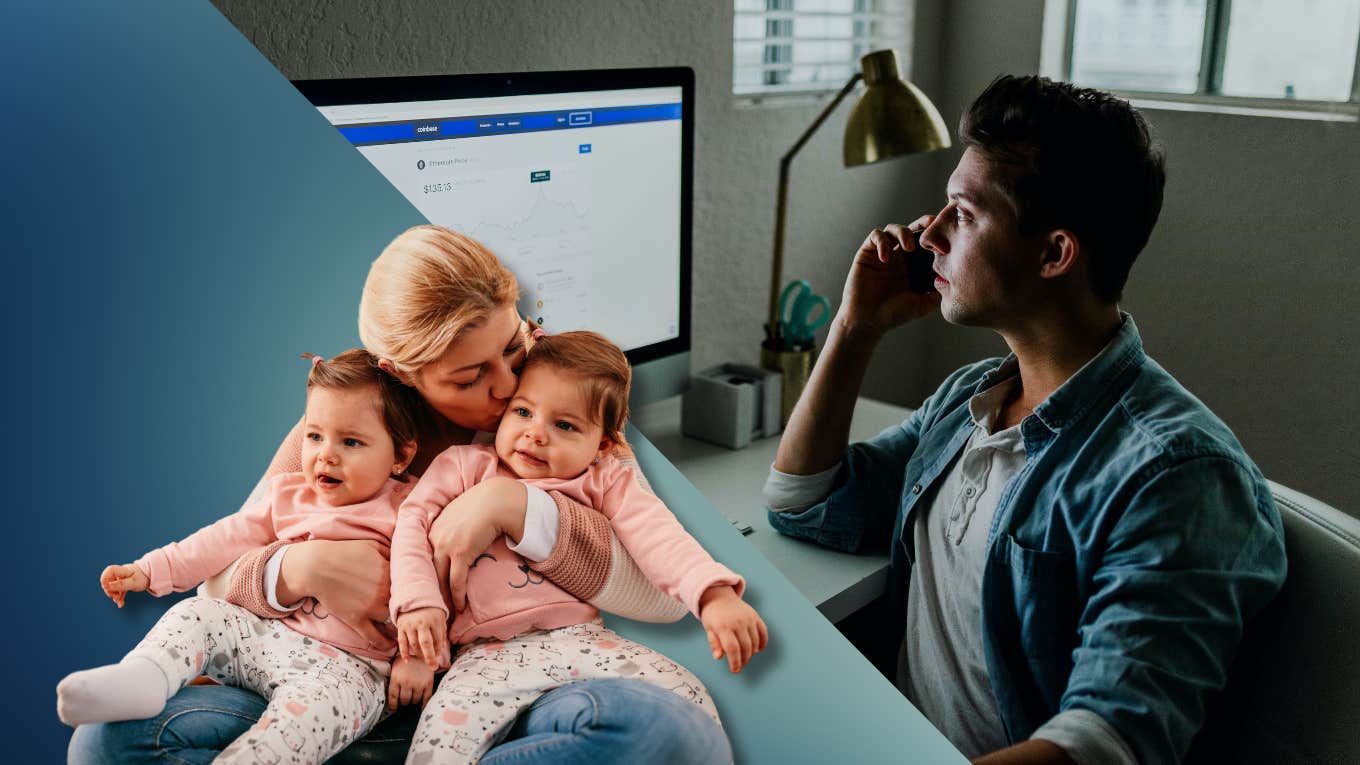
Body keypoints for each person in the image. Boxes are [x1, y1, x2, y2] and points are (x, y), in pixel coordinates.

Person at [762, 75, 1287, 765]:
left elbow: (1104, 744)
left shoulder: (1178, 477)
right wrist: (856, 326)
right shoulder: (971, 400)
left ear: (1054, 253)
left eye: (964, 213)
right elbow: (806, 501)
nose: (930, 235)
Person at [67, 225, 729, 764]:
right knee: (106, 739)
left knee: (671, 733)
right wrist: (296, 568)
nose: (506, 387)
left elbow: (663, 595)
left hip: (516, 689)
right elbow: (224, 572)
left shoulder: (555, 401)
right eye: (472, 376)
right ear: (402, 375)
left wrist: (513, 507)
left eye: (515, 342)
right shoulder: (351, 424)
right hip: (336, 687)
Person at [392, 330, 767, 762]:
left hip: (581, 638)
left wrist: (714, 595)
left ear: (603, 444)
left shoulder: (605, 478)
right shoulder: (464, 466)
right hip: (486, 653)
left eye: (564, 425)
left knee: (688, 698)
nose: (535, 434)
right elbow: (411, 526)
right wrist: (417, 616)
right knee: (442, 743)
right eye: (523, 411)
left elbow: (658, 534)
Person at [57, 349, 436, 763]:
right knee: (195, 616)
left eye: (350, 442)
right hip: (267, 640)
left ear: (401, 456)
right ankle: (145, 677)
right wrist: (149, 570)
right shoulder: (289, 494)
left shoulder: (411, 508)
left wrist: (418, 658)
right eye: (314, 436)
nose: (325, 454)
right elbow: (221, 541)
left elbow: (431, 591)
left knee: (300, 725)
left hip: (352, 672)